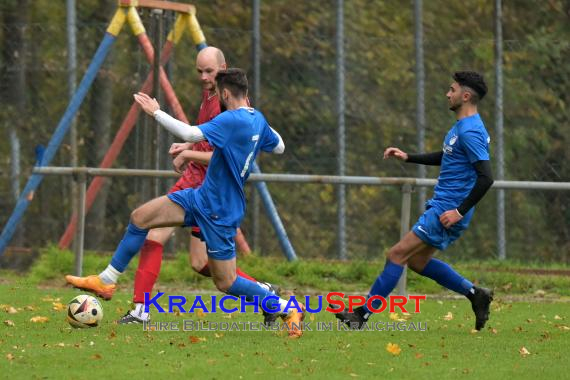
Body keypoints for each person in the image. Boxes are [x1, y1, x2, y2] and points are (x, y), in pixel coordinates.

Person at [70, 68, 305, 337]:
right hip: (201, 198)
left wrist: (155, 112)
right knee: (140, 217)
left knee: (226, 282)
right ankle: (106, 280)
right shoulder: (256, 119)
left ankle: (287, 308)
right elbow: (279, 147)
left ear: (226, 93)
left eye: (218, 93)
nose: (217, 97)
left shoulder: (231, 119)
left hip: (220, 211)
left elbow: (190, 133)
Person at [335, 71, 494, 331]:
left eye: (452, 90)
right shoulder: (462, 127)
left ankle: (361, 315)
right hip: (444, 205)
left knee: (396, 254)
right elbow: (449, 157)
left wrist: (459, 211)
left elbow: (486, 177)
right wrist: (408, 157)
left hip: (448, 209)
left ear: (465, 96)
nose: (447, 93)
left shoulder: (471, 131)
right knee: (417, 262)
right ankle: (475, 294)